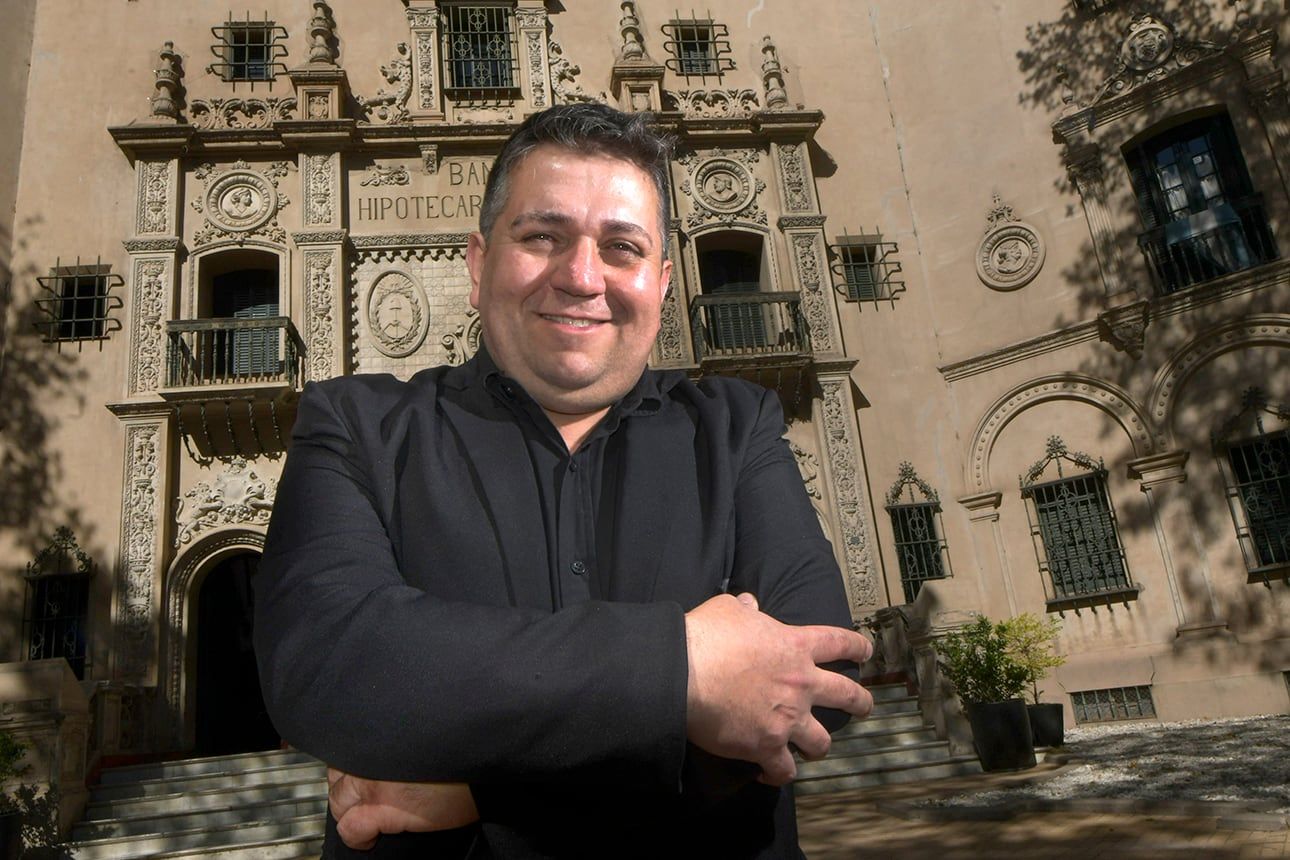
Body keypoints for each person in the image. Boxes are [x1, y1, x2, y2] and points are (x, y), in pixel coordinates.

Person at [253, 103, 873, 859]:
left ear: (662, 279)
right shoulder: (355, 426)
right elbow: (330, 667)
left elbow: (821, 679)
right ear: (480, 262)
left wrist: (482, 791)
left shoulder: (739, 426)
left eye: (621, 247)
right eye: (543, 236)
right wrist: (688, 668)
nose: (582, 277)